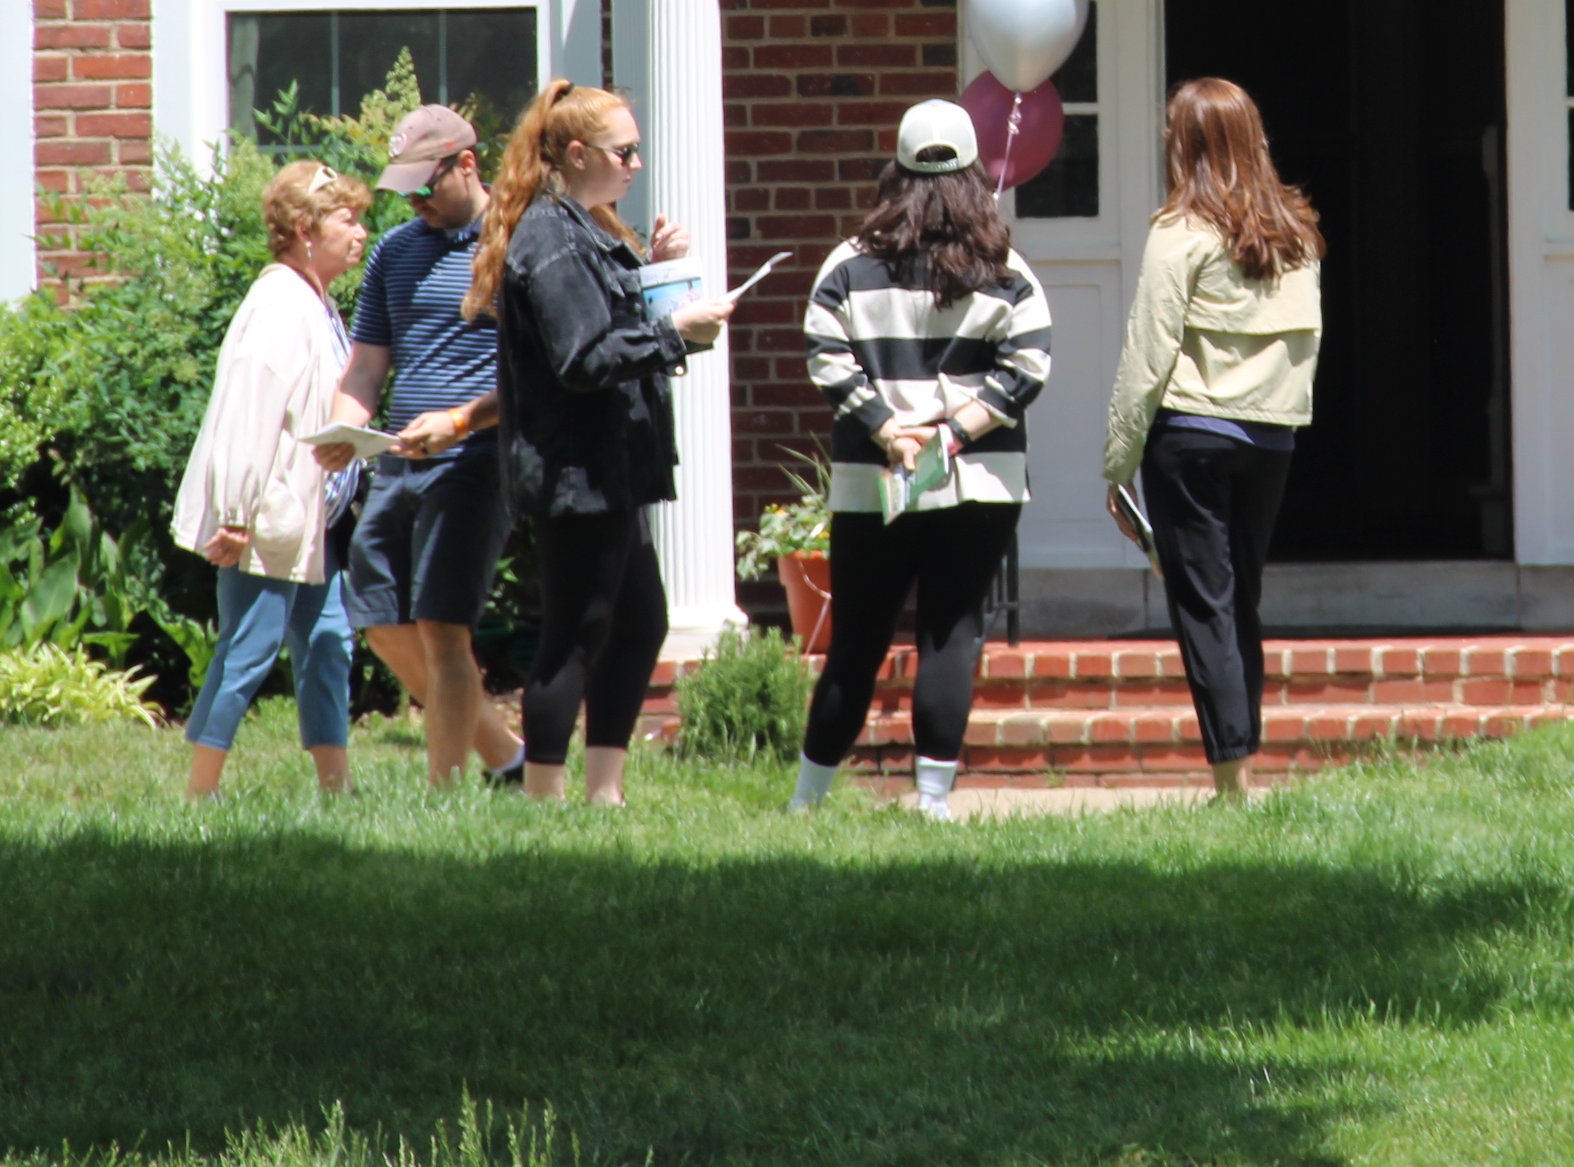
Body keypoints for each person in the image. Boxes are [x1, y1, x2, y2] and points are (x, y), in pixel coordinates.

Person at [790, 101, 1054, 821]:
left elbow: (824, 354)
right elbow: (1030, 364)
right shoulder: (1005, 267)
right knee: (951, 633)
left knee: (857, 640)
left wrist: (888, 431)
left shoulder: (848, 264)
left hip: (874, 477)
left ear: (896, 171)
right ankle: (932, 801)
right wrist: (955, 434)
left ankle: (807, 801)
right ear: (974, 173)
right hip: (980, 480)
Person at [470, 79, 731, 807]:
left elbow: (615, 325)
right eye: (624, 152)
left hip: (610, 466)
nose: (636, 165)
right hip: (576, 470)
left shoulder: (588, 228)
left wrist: (659, 272)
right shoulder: (552, 238)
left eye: (637, 150)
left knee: (640, 623)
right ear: (578, 154)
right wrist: (676, 331)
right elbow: (583, 357)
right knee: (576, 633)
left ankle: (603, 793)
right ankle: (544, 796)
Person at [1102, 78, 1324, 805]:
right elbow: (1306, 344)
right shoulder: (1297, 233)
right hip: (1271, 439)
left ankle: (1233, 786)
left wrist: (1118, 464)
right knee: (1240, 605)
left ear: (1186, 145)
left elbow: (1148, 352)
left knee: (1205, 607)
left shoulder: (1179, 231)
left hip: (1191, 435)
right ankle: (1241, 773)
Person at [332, 103, 527, 788]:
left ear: (466, 163)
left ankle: (442, 796)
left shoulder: (517, 242)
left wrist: (461, 422)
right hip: (398, 460)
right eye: (405, 188)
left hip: (476, 459)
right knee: (379, 618)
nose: (414, 201)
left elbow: (537, 375)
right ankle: (507, 759)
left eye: (425, 186)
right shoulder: (396, 250)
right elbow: (366, 366)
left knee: (444, 626)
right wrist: (344, 431)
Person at [168, 160, 374, 799]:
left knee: (328, 644)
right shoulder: (280, 304)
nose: (362, 233)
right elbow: (247, 411)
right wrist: (235, 515)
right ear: (306, 229)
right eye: (348, 220)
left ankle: (336, 790)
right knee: (248, 649)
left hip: (313, 523)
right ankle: (200, 794)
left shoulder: (317, 302)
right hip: (267, 518)